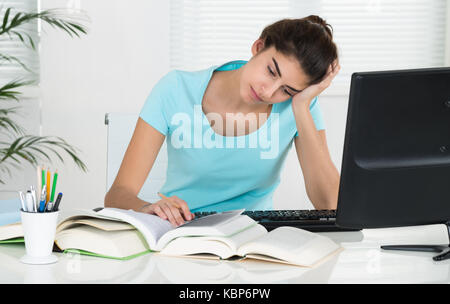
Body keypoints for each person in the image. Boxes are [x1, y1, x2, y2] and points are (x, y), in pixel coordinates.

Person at [104, 15, 341, 227]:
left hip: (256, 239)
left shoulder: (299, 104)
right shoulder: (175, 89)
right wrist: (147, 208)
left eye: (286, 89)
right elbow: (117, 194)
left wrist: (300, 106)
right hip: (181, 232)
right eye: (271, 71)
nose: (268, 92)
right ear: (258, 47)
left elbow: (329, 204)